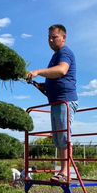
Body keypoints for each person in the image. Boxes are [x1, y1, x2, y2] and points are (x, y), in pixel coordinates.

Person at [27, 24, 78, 182]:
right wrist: (42, 85)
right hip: (56, 102)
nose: (50, 40)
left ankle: (66, 171)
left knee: (64, 136)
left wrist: (38, 72)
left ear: (64, 37)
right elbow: (55, 79)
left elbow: (62, 70)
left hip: (65, 101)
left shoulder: (65, 53)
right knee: (58, 138)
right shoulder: (55, 56)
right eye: (49, 37)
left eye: (54, 37)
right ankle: (63, 170)